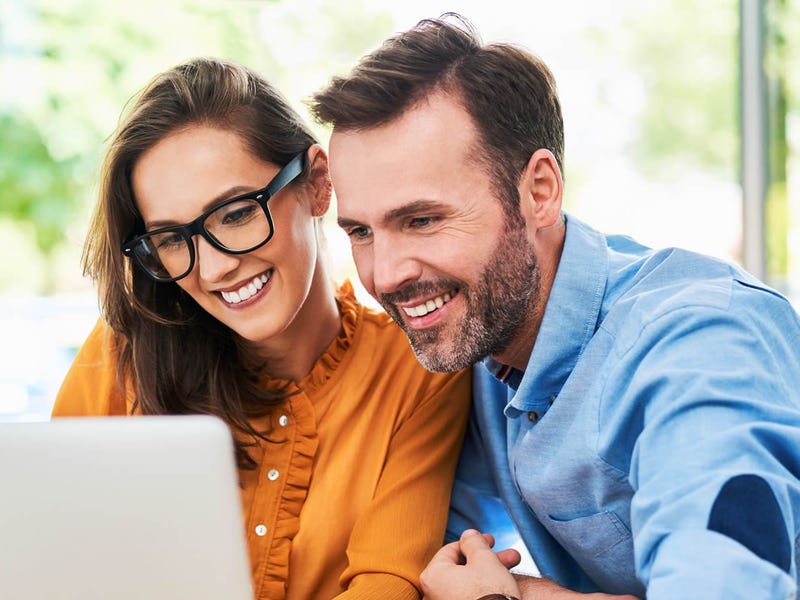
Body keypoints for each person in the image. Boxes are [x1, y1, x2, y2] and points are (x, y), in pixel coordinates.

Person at [309, 14, 800, 600]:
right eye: (361, 232)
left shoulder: (699, 343)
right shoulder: (483, 346)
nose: (384, 276)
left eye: (423, 220)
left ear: (539, 191)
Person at [53, 57, 471, 600]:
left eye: (234, 214)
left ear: (317, 184)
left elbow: (385, 584)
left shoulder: (418, 369)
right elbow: (53, 559)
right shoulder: (120, 354)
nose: (212, 269)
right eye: (173, 240)